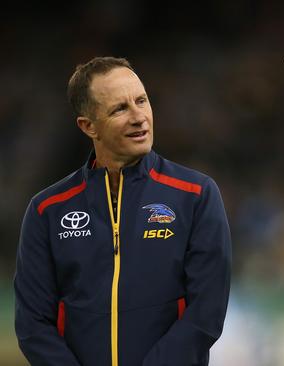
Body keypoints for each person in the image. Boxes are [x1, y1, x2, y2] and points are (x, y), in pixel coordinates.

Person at [14, 57, 232, 366]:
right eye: (120, 109)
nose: (138, 116)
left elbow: (206, 313)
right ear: (88, 126)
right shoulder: (47, 210)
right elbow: (33, 324)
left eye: (141, 101)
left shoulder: (196, 195)